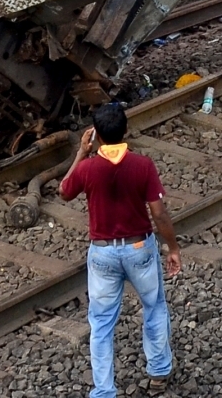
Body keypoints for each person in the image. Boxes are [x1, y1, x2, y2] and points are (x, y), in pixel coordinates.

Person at [60, 105, 180, 398]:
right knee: (154, 307)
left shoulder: (88, 168)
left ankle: (104, 390)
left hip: (102, 254)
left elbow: (64, 190)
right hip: (139, 248)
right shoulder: (143, 165)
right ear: (125, 130)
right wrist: (173, 247)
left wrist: (80, 153)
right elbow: (159, 214)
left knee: (101, 323)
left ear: (96, 135)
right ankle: (159, 372)